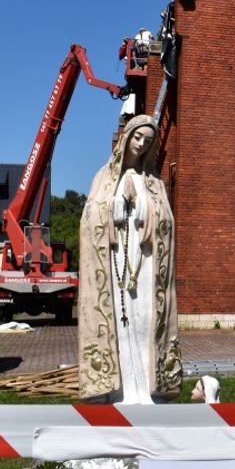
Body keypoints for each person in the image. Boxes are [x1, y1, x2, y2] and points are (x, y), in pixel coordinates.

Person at [78, 114, 182, 403]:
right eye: (137, 138)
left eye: (147, 142)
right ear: (126, 138)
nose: (141, 145)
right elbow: (90, 217)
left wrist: (143, 207)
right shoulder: (105, 177)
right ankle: (119, 390)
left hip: (146, 264)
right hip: (115, 262)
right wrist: (117, 204)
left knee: (143, 321)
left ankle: (148, 388)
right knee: (120, 323)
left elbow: (166, 221)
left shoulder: (155, 183)